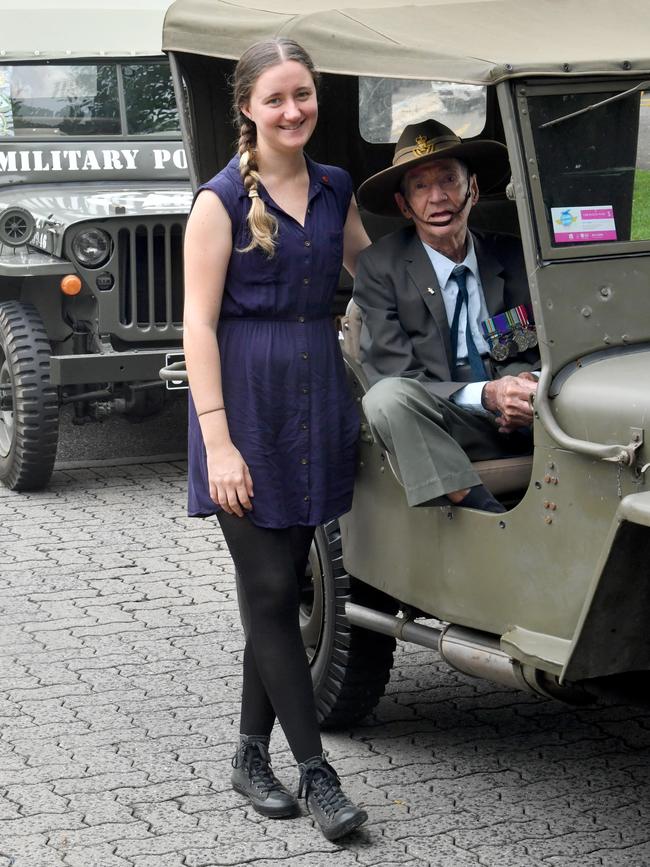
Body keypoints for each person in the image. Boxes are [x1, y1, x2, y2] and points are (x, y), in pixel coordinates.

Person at [182, 39, 370, 841]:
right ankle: (316, 771)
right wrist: (219, 444)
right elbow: (194, 325)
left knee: (280, 585)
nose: (293, 111)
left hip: (315, 402)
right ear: (247, 108)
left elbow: (375, 276)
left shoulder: (334, 188)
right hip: (246, 410)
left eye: (304, 95)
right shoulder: (217, 201)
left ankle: (249, 753)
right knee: (269, 591)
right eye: (276, 98)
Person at [354, 119, 540, 513]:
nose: (437, 197)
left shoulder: (513, 255)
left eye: (448, 180)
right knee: (386, 399)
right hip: (443, 421)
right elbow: (394, 374)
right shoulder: (379, 267)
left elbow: (541, 343)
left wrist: (526, 385)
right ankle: (486, 514)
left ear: (471, 189)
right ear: (404, 205)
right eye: (420, 186)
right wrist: (489, 396)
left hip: (531, 416)